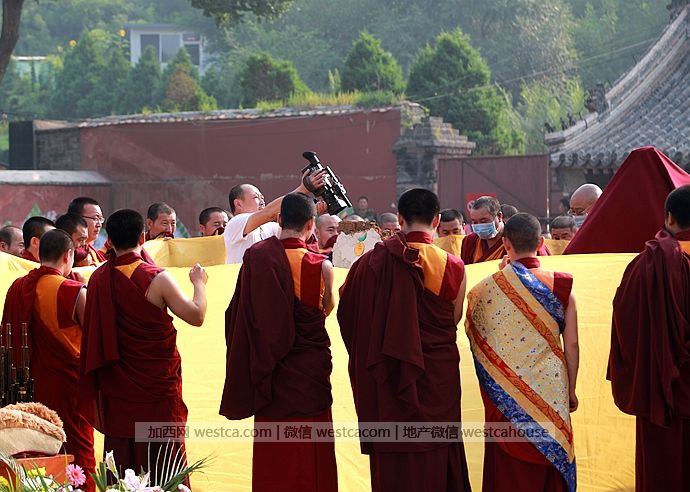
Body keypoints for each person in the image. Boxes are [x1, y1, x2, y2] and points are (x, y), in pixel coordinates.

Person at [338, 188, 471, 492]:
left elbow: (350, 317)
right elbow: (452, 320)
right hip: (435, 381)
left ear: (399, 219)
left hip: (385, 381)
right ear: (437, 220)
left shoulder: (368, 264)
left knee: (393, 463)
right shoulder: (453, 266)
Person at [220, 193, 337, 492]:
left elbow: (242, 313)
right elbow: (326, 308)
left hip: (271, 374)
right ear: (311, 224)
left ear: (280, 220)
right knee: (310, 449)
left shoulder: (257, 258)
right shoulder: (320, 266)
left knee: (275, 451)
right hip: (307, 373)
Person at [79, 209, 208, 477]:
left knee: (123, 458)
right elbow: (196, 316)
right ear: (142, 237)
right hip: (156, 389)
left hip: (119, 388)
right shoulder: (156, 278)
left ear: (109, 240)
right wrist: (199, 283)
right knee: (163, 459)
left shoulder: (99, 279)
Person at [465, 213, 579, 492]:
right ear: (541, 243)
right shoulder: (561, 286)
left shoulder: (484, 290)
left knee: (508, 472)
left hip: (505, 394)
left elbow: (478, 341)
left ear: (505, 244)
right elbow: (572, 345)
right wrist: (571, 390)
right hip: (551, 392)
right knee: (552, 460)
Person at [608, 185, 690, 492]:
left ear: (669, 216)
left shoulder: (647, 264)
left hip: (660, 393)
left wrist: (651, 367)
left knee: (661, 470)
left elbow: (625, 321)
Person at [2, 229, 95, 491]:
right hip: (70, 390)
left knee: (35, 454)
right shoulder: (72, 291)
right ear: (68, 255)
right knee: (77, 453)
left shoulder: (18, 287)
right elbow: (96, 340)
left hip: (29, 390)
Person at [224, 170, 325, 264]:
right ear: (238, 204)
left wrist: (310, 211)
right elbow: (269, 213)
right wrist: (304, 189)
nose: (262, 201)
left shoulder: (270, 227)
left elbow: (295, 234)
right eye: (256, 197)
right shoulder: (235, 223)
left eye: (262, 197)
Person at [462, 197, 548, 264]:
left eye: (484, 221)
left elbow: (540, 266)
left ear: (499, 216)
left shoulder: (518, 237)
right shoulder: (470, 241)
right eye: (475, 222)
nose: (479, 226)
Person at [67, 197, 106, 264]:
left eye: (100, 219)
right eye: (95, 218)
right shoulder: (71, 254)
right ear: (78, 219)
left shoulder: (91, 251)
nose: (99, 225)